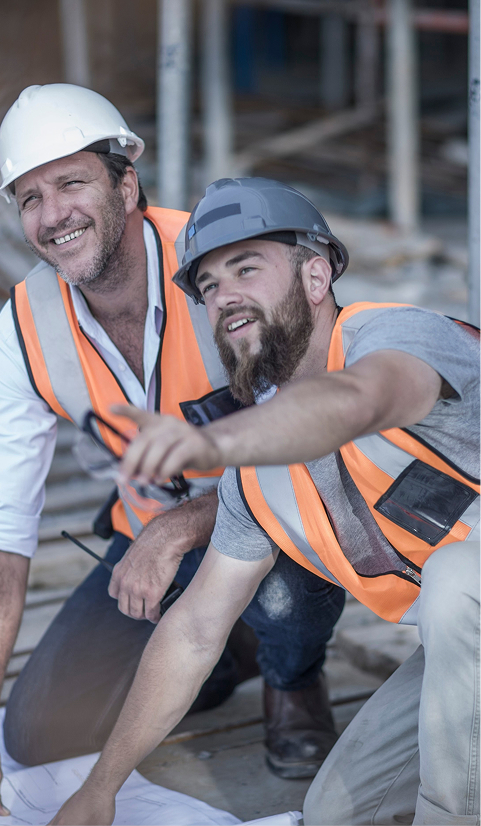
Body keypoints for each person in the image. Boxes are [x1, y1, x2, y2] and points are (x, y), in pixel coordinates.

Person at [50, 177, 479, 826]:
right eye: (211, 286)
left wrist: (207, 444)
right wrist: (101, 786)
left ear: (314, 276)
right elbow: (194, 631)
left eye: (247, 268)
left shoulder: (397, 339)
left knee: (455, 579)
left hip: (465, 606)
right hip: (464, 650)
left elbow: (352, 401)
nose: (226, 297)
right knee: (334, 811)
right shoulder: (258, 472)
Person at [0, 88, 344, 807]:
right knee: (36, 737)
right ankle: (224, 647)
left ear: (126, 182)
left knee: (278, 593)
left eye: (71, 183)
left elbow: (319, 434)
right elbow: (7, 539)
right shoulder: (23, 326)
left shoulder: (226, 263)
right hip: (142, 531)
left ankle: (291, 679)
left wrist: (179, 527)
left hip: (277, 518)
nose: (52, 213)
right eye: (29, 197)